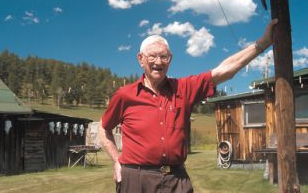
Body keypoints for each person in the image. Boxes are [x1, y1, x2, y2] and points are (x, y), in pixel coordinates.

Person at [99, 19, 278, 193]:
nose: (158, 62)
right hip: (136, 179)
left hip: (176, 180)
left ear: (170, 59)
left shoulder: (184, 88)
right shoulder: (125, 95)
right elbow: (104, 127)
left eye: (164, 56)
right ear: (141, 59)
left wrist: (263, 43)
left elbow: (225, 70)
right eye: (152, 56)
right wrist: (116, 160)